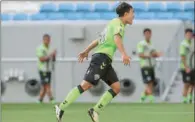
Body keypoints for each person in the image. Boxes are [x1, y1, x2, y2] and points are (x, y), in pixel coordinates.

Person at [55, 2, 134, 122]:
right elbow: (117, 38)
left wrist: (86, 51)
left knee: (116, 87)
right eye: (132, 13)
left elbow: (99, 40)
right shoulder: (118, 24)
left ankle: (95, 111)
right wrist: (124, 54)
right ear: (126, 13)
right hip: (101, 58)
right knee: (85, 85)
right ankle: (61, 108)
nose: (134, 16)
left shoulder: (112, 23)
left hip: (105, 60)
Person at [137, 28, 162, 103]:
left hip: (151, 66)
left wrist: (157, 54)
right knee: (149, 82)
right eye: (146, 33)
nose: (148, 35)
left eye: (149, 33)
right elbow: (141, 55)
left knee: (151, 83)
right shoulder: (141, 44)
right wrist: (151, 55)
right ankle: (151, 99)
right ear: (144, 35)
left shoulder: (151, 44)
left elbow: (154, 53)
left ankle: (143, 96)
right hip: (145, 66)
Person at [36, 34, 56, 103]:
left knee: (45, 86)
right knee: (47, 85)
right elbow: (41, 59)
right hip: (43, 69)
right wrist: (50, 54)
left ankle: (40, 100)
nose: (48, 41)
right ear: (43, 40)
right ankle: (51, 99)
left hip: (48, 69)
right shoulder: (40, 48)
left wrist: (54, 56)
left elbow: (53, 60)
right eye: (46, 40)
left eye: (49, 40)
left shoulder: (50, 48)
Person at [180, 28, 194, 103]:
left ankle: (190, 97)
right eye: (188, 34)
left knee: (193, 83)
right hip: (186, 67)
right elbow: (182, 56)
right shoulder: (183, 44)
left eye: (190, 34)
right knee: (187, 83)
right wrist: (186, 67)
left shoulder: (192, 43)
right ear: (185, 35)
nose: (189, 35)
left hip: (192, 66)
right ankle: (184, 99)